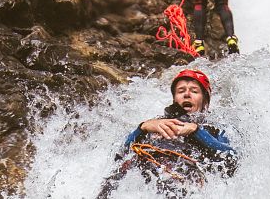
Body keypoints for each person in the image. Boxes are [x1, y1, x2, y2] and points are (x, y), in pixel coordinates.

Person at [96, 69, 237, 198]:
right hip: (144, 173)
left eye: (194, 91)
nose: (187, 94)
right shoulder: (155, 124)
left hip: (184, 180)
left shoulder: (212, 128)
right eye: (181, 91)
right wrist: (142, 128)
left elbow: (231, 158)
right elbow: (120, 153)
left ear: (205, 101)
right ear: (175, 99)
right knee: (117, 173)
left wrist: (196, 131)